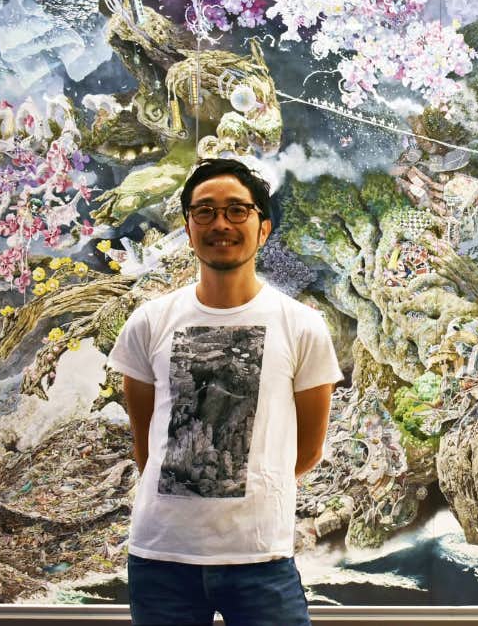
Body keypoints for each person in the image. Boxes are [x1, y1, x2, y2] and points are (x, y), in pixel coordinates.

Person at [107, 157, 342, 626]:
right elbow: (146, 444)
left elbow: (309, 449)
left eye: (237, 210)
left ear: (263, 228)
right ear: (189, 228)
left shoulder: (303, 327)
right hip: (160, 558)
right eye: (205, 211)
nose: (221, 224)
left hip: (261, 558)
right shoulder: (148, 322)